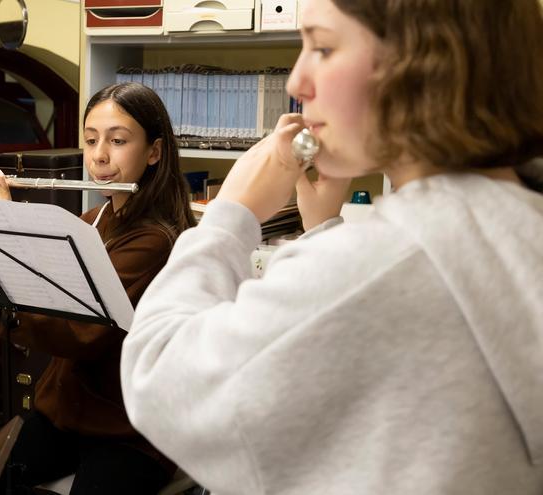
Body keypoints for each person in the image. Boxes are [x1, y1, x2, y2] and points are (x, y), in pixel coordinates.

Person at [120, 0, 543, 494]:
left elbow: (159, 381)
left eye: (322, 46)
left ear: (424, 62)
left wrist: (228, 217)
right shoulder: (518, 220)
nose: (297, 82)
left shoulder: (382, 258)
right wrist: (324, 228)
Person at [0, 82, 196, 494]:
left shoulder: (156, 240)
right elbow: (26, 295)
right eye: (90, 140)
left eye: (118, 140)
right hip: (67, 411)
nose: (100, 155)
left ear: (154, 151)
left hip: (128, 426)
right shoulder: (91, 221)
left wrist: (4, 221)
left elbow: (76, 334)